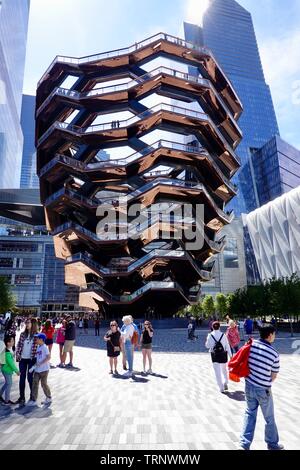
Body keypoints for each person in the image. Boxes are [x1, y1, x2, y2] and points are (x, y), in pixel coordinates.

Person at [240, 324, 284, 451]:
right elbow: (273, 376)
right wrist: (263, 380)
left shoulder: (251, 345)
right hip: (263, 389)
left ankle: (244, 444)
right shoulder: (274, 353)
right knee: (269, 418)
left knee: (249, 414)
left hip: (249, 386)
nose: (274, 336)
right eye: (274, 334)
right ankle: (272, 444)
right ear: (270, 335)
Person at [15, 318, 39, 405]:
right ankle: (22, 397)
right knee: (22, 378)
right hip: (22, 359)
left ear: (33, 324)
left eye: (29, 322)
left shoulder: (37, 335)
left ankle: (32, 397)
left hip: (31, 359)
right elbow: (19, 345)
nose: (27, 324)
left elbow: (39, 348)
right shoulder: (22, 334)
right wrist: (18, 355)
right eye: (26, 322)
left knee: (30, 378)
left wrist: (37, 361)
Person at [205, 321, 232, 393]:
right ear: (219, 327)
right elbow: (227, 346)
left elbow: (207, 346)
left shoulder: (210, 335)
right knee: (224, 369)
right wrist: (231, 356)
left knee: (217, 372)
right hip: (223, 354)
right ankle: (225, 382)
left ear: (212, 327)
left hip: (214, 355)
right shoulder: (223, 335)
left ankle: (221, 388)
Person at [27, 333, 52, 407]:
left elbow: (48, 357)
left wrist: (41, 363)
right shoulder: (38, 347)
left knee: (43, 384)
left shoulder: (44, 347)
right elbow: (37, 359)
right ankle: (34, 400)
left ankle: (49, 397)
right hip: (37, 370)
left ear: (41, 340)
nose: (36, 340)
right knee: (35, 383)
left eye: (37, 339)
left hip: (44, 370)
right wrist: (33, 367)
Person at [0, 336, 20, 405]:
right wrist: (16, 371)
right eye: (12, 341)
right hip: (7, 371)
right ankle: (7, 400)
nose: (13, 342)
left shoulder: (7, 350)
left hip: (5, 370)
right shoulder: (7, 353)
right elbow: (11, 364)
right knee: (9, 384)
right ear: (8, 343)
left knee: (7, 383)